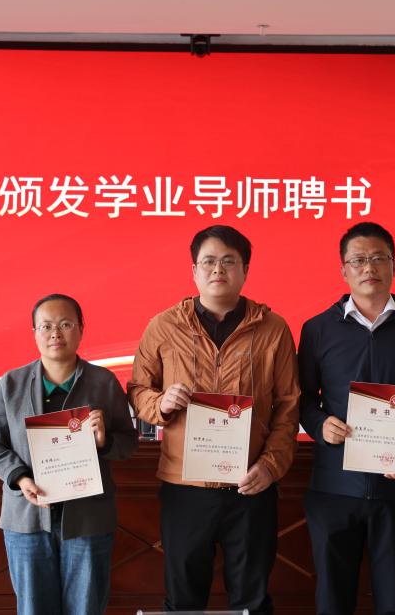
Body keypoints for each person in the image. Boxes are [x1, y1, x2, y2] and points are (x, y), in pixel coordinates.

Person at [127, 225, 300, 615]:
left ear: (245, 270)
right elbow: (137, 390)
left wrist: (270, 467)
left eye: (228, 261)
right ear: (193, 271)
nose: (217, 270)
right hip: (185, 487)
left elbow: (289, 407)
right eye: (208, 262)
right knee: (183, 601)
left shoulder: (273, 329)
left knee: (252, 601)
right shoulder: (164, 326)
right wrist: (161, 403)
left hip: (251, 486)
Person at [298, 221, 395, 615]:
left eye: (379, 258)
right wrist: (319, 425)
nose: (369, 267)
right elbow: (301, 398)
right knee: (333, 602)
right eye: (358, 260)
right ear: (343, 270)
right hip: (334, 488)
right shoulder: (317, 329)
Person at [0, 294, 137, 615]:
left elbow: (129, 443)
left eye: (65, 324)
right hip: (27, 517)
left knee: (86, 608)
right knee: (33, 608)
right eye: (46, 326)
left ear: (81, 329)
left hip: (88, 518)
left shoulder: (103, 382)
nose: (55, 334)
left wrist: (104, 441)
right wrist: (20, 478)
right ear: (34, 333)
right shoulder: (12, 383)